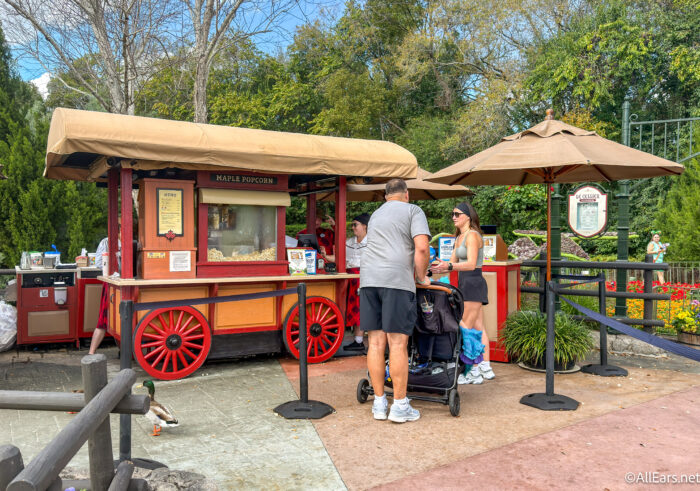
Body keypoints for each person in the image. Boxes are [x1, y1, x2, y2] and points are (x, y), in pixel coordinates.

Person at [360, 179, 430, 423]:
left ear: (385, 196)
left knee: (375, 343)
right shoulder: (413, 211)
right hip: (396, 280)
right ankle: (400, 406)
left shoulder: (376, 215)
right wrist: (421, 276)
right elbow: (422, 248)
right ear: (406, 194)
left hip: (369, 280)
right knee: (398, 343)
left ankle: (379, 403)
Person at [430, 201, 494, 384]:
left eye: (457, 214)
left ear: (468, 216)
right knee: (477, 327)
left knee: (466, 328)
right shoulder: (459, 237)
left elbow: (471, 264)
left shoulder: (472, 235)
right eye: (452, 214)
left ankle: (473, 370)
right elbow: (450, 264)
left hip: (473, 283)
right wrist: (435, 266)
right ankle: (485, 366)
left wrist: (449, 266)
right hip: (465, 284)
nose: (454, 217)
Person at [323, 213, 370, 351]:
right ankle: (356, 340)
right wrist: (325, 256)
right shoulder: (349, 242)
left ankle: (359, 341)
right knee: (348, 308)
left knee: (359, 309)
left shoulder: (373, 243)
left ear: (365, 226)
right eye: (352, 225)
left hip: (363, 279)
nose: (353, 227)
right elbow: (339, 258)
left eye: (355, 224)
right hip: (349, 278)